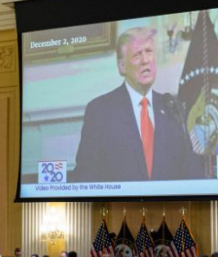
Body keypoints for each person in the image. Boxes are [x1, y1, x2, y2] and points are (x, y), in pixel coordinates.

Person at [73, 27, 201, 183]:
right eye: (137, 55)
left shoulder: (172, 108)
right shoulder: (100, 111)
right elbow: (86, 175)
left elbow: (192, 170)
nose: (145, 60)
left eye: (149, 51)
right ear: (122, 66)